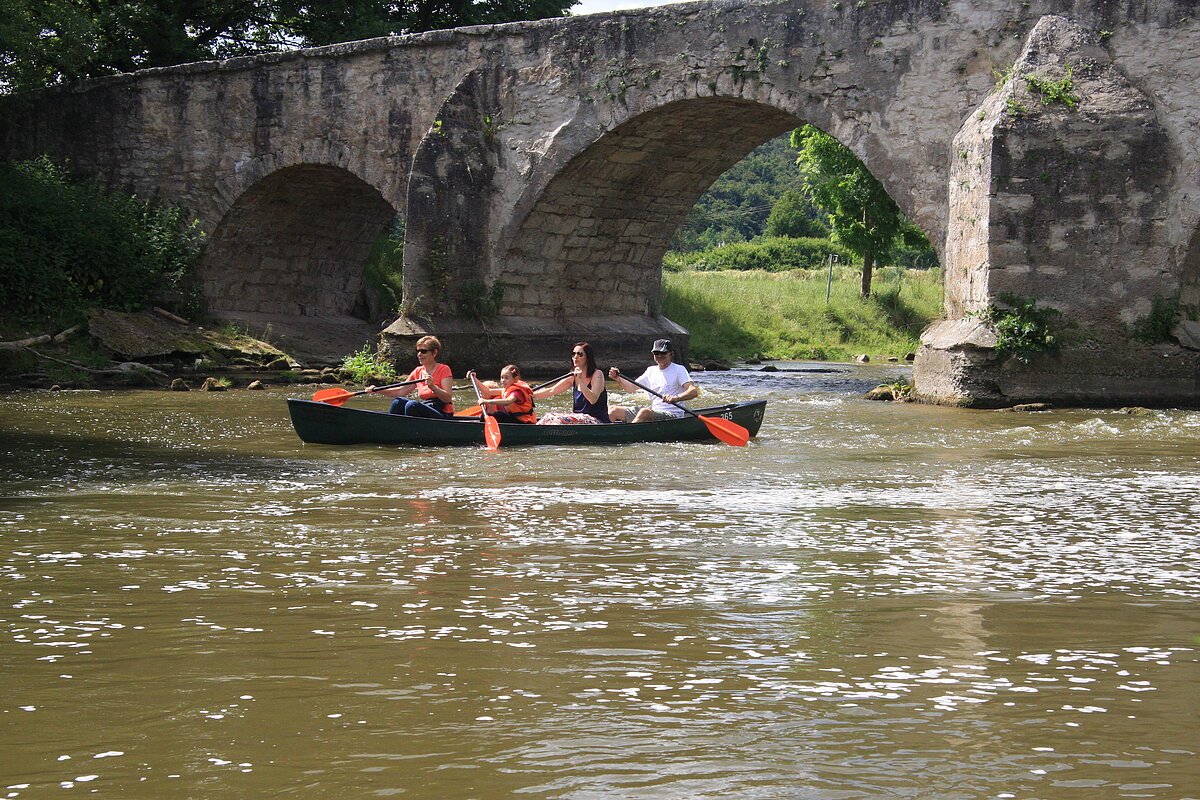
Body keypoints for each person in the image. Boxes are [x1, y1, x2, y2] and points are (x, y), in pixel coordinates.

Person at [608, 338, 699, 423]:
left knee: (645, 412)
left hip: (673, 415)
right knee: (613, 410)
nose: (659, 356)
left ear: (670, 354)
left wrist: (676, 398)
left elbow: (693, 391)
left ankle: (627, 435)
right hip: (654, 411)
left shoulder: (679, 369)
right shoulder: (651, 370)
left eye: (663, 353)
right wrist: (618, 379)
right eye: (656, 353)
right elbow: (631, 388)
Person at [366, 335, 455, 419]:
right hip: (427, 406)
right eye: (418, 351)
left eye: (423, 351)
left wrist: (433, 387)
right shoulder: (417, 371)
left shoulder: (444, 369)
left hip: (442, 412)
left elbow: (447, 398)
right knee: (398, 402)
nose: (419, 354)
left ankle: (411, 431)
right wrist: (378, 390)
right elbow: (400, 391)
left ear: (434, 352)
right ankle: (392, 429)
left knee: (412, 405)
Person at [534, 341, 610, 425]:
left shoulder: (597, 374)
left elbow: (593, 399)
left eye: (580, 354)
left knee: (557, 419)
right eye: (573, 354)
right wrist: (530, 394)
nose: (575, 357)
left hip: (597, 421)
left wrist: (580, 380)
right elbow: (552, 390)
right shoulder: (572, 377)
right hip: (579, 419)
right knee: (548, 417)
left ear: (587, 357)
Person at [466, 364, 536, 424]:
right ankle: (481, 427)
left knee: (498, 415)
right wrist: (474, 379)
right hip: (514, 419)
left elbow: (508, 401)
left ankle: (480, 429)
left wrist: (487, 401)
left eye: (506, 378)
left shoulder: (517, 392)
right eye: (502, 377)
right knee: (485, 416)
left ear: (515, 379)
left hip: (524, 422)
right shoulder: (506, 389)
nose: (503, 380)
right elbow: (488, 391)